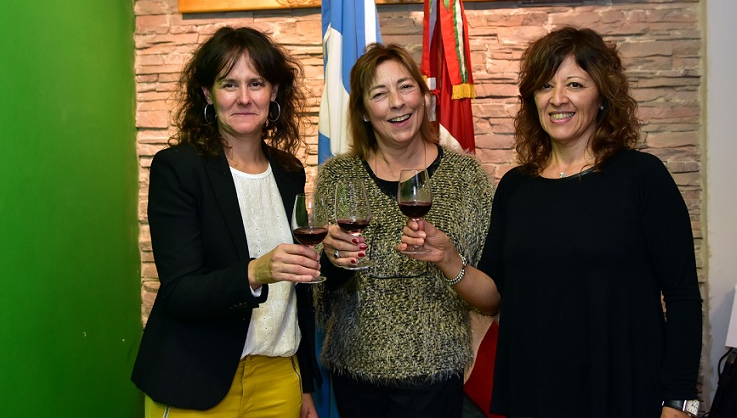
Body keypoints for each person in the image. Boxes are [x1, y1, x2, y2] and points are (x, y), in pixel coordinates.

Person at [401, 27, 703, 418]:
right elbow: (494, 296)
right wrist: (449, 260)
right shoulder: (516, 186)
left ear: (602, 96)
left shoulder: (642, 178)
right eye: (546, 85)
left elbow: (682, 298)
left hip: (622, 392)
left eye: (574, 84)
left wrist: (679, 403)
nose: (558, 99)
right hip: (535, 393)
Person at [131, 26, 320, 418]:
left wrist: (305, 383)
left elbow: (297, 290)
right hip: (196, 380)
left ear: (274, 93)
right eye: (229, 84)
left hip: (279, 379)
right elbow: (180, 292)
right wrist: (255, 271)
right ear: (207, 93)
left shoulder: (289, 172)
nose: (245, 98)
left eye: (256, 83)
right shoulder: (178, 169)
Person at [314, 43, 494, 418]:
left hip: (439, 378)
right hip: (355, 377)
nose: (397, 102)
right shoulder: (338, 177)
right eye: (379, 94)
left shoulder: (467, 177)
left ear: (424, 97)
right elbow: (316, 291)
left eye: (405, 87)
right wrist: (330, 261)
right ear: (363, 112)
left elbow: (492, 293)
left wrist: (448, 260)